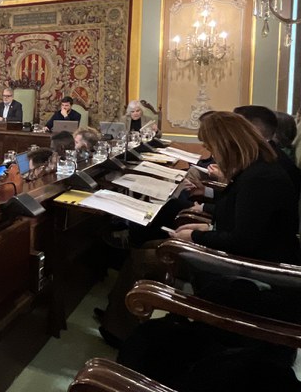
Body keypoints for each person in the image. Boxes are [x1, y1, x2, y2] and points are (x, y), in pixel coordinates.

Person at [99, 112, 300, 347]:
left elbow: (242, 242)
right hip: (244, 258)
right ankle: (118, 319)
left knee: (147, 258)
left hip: (252, 272)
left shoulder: (260, 178)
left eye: (211, 146)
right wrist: (205, 226)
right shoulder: (257, 169)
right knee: (148, 249)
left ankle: (121, 329)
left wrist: (195, 235)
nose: (211, 153)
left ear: (227, 144)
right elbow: (242, 221)